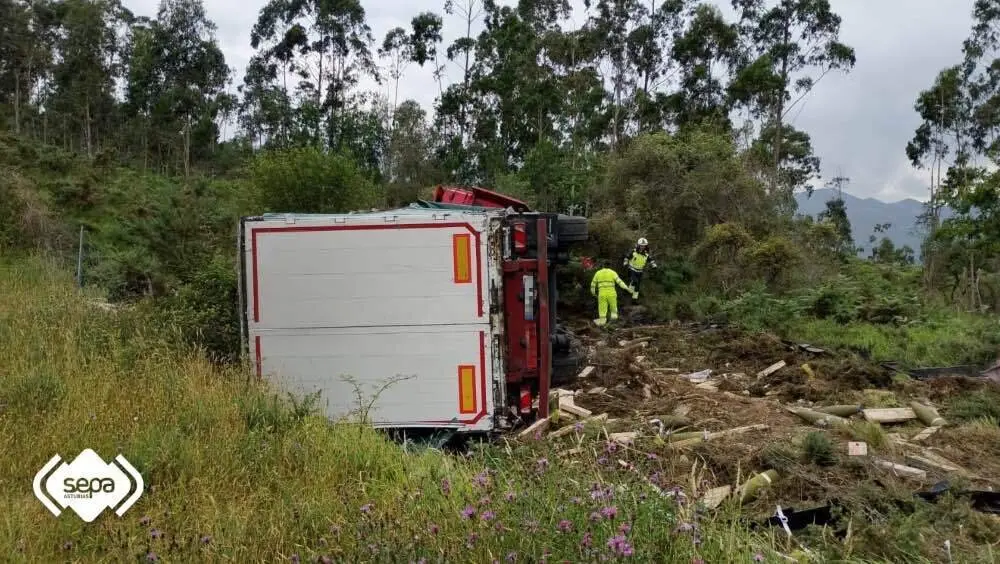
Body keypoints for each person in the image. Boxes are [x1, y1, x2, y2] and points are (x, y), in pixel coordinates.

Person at [590, 259, 637, 326]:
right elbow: (620, 282)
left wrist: (593, 293)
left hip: (602, 294)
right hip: (612, 294)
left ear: (603, 265)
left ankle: (602, 323)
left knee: (602, 309)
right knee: (613, 309)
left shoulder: (598, 273)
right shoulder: (613, 272)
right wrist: (627, 289)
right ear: (610, 266)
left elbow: (593, 284)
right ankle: (613, 323)